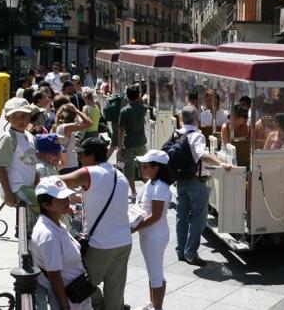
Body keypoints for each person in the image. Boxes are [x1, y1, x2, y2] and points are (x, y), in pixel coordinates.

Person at [59, 137, 132, 310]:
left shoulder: (89, 172)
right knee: (115, 291)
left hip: (102, 244)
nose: (80, 158)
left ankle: (97, 305)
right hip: (124, 242)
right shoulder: (119, 175)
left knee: (80, 282)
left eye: (82, 154)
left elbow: (56, 181)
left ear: (91, 156)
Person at [175, 105, 231, 266]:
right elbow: (203, 155)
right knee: (199, 218)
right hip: (195, 181)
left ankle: (180, 250)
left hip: (181, 179)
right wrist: (222, 164)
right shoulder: (196, 136)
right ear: (196, 119)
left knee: (182, 216)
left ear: (181, 119)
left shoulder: (177, 133)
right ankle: (191, 253)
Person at [30, 176, 92, 310]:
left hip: (78, 294)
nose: (67, 200)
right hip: (70, 300)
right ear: (46, 205)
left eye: (67, 196)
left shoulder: (55, 223)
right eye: (61, 199)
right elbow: (54, 276)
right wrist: (64, 307)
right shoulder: (48, 235)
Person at [132, 150, 173, 310]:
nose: (141, 168)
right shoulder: (152, 182)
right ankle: (153, 304)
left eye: (145, 166)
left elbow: (155, 216)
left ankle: (157, 308)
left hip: (154, 237)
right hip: (149, 235)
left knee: (156, 275)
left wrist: (134, 228)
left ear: (156, 168)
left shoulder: (160, 187)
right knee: (152, 272)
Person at [0, 97, 39, 231]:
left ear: (29, 117)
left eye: (24, 116)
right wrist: (8, 193)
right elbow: (0, 167)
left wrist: (39, 183)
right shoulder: (8, 138)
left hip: (29, 186)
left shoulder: (30, 136)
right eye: (15, 116)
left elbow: (32, 163)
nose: (20, 120)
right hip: (16, 188)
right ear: (8, 118)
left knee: (51, 196)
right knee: (48, 202)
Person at [118, 84, 147, 200]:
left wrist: (120, 148)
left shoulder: (124, 111)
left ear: (127, 97)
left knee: (129, 169)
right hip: (141, 142)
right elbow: (143, 100)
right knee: (144, 167)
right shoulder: (143, 108)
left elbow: (121, 131)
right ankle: (147, 191)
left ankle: (134, 192)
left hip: (128, 143)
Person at [53, 103, 94, 174]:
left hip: (64, 165)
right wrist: (76, 110)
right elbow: (89, 123)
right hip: (69, 165)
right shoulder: (67, 127)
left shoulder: (59, 127)